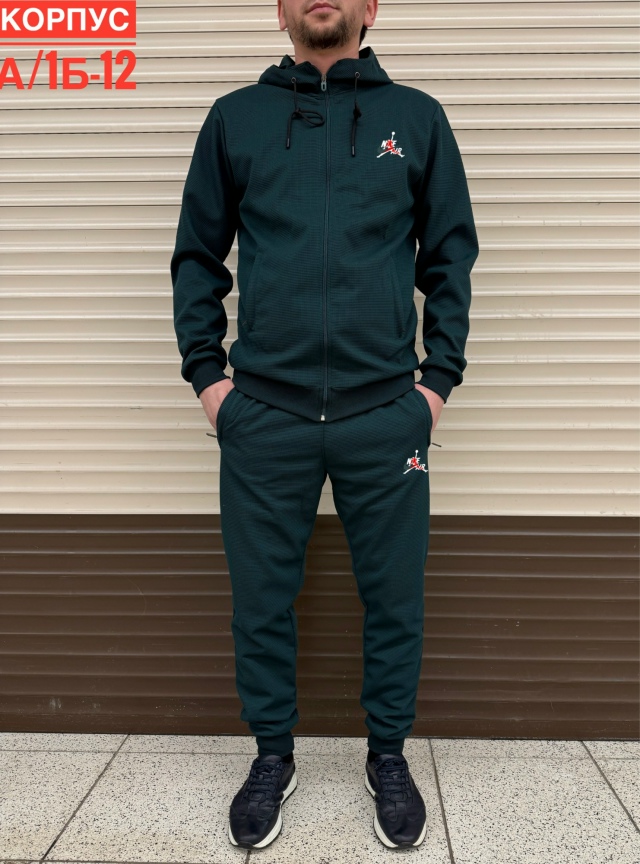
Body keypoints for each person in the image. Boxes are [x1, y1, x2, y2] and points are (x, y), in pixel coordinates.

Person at [170, 0, 479, 851]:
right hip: (264, 414)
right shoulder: (236, 119)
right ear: (279, 11)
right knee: (261, 601)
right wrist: (210, 383)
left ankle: (388, 756)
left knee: (395, 600)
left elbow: (450, 256)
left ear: (370, 8)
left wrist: (435, 387)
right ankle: (273, 754)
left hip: (385, 414)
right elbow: (197, 257)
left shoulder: (416, 118)